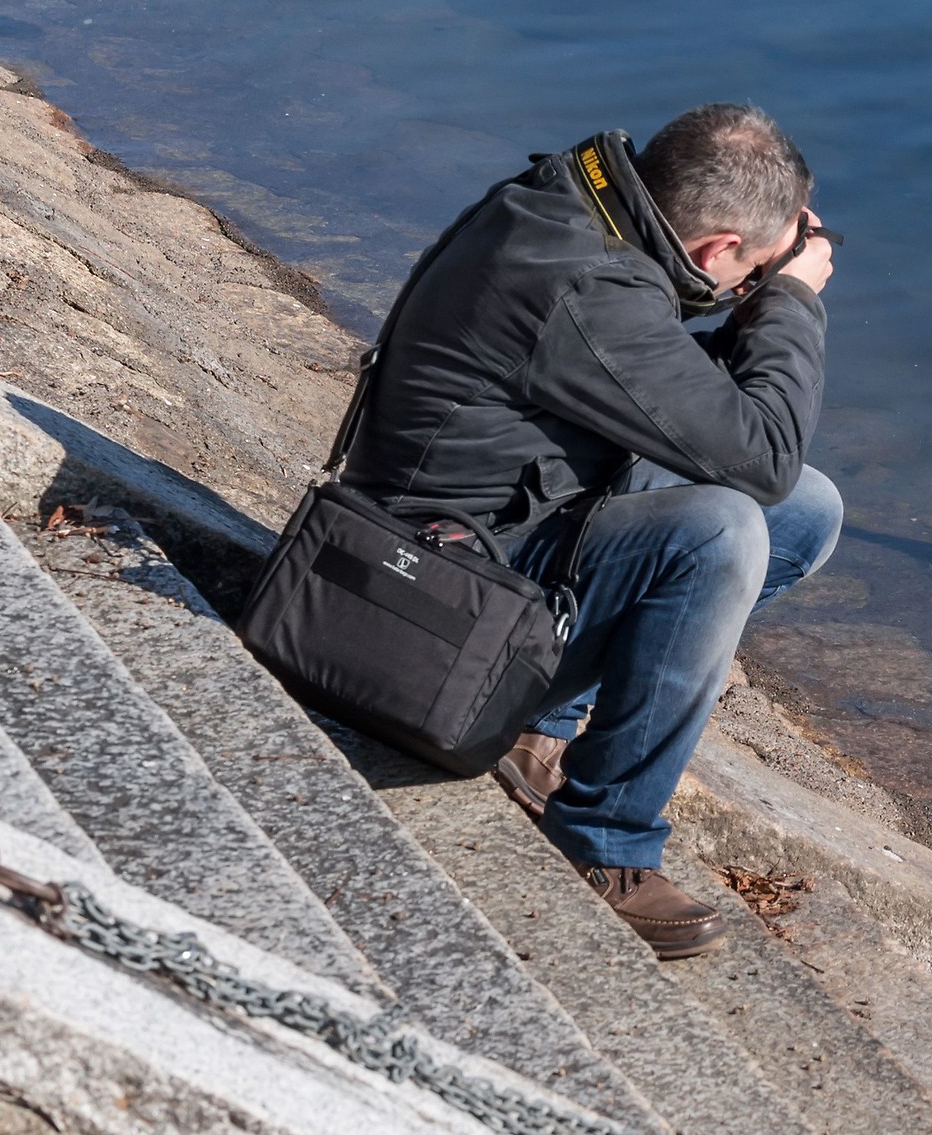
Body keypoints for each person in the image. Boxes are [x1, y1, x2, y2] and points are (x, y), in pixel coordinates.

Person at [341, 103, 838, 958]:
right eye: (745, 267)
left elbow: (663, 391)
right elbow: (761, 454)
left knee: (806, 513)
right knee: (725, 529)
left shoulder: (574, 207)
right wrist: (789, 301)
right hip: (426, 615)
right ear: (719, 248)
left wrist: (761, 289)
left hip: (484, 538)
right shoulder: (586, 288)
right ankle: (605, 841)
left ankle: (539, 724)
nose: (744, 284)